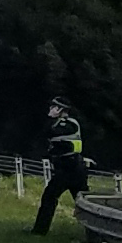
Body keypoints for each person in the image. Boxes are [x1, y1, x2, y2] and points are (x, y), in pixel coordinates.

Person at [33, 100, 91, 235]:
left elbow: (50, 132)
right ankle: (39, 231)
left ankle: (96, 236)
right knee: (53, 197)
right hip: (65, 168)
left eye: (53, 107)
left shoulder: (69, 123)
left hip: (72, 167)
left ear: (60, 109)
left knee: (83, 203)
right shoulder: (58, 123)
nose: (50, 109)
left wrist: (49, 118)